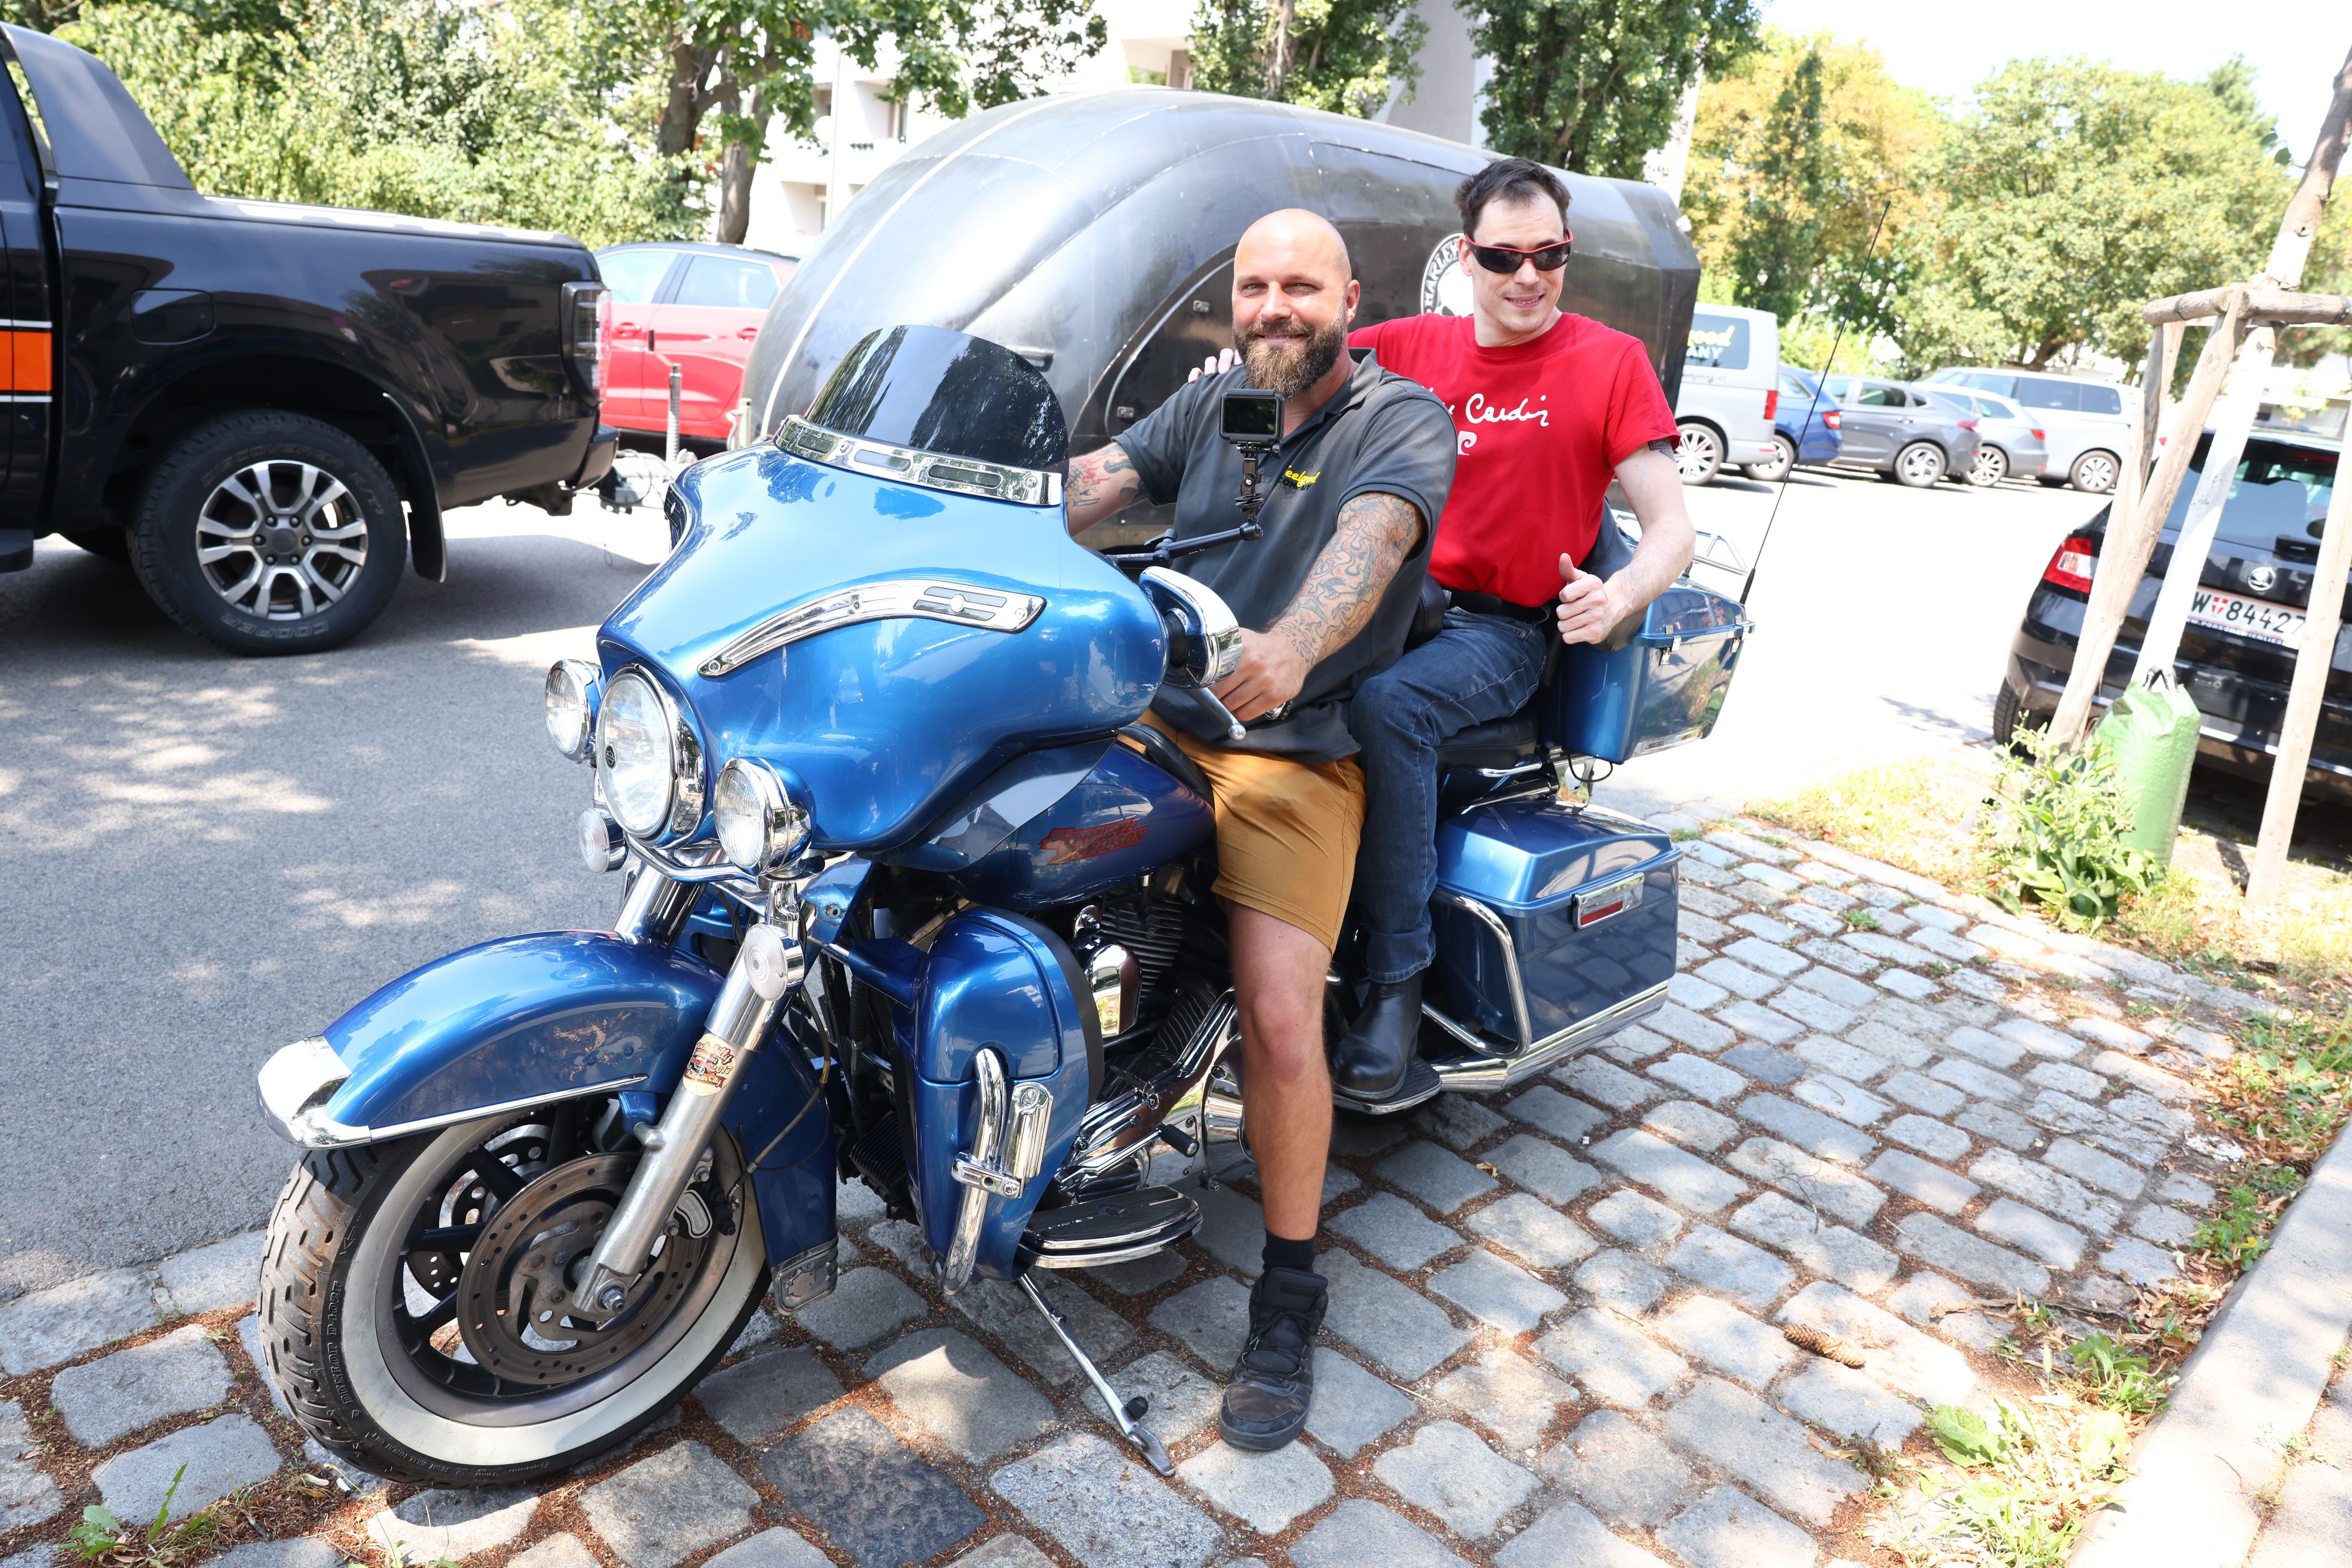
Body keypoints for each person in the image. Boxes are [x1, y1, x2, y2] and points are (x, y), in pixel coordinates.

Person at [1060, 208, 1456, 1450]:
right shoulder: (1224, 402)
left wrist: (1290, 645)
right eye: (1251, 286)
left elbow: (1371, 538)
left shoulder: (1395, 420)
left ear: (1348, 295)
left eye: (1298, 286)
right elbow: (1095, 487)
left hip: (1289, 745)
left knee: (1281, 1013)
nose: (1273, 307)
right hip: (1156, 717)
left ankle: (1288, 1285)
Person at [1330, 158, 1698, 1100]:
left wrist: (1618, 598)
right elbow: (1303, 351)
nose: (1528, 277)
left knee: (1390, 707)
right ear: (1467, 257)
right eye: (1504, 257)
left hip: (1506, 633)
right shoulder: (1413, 345)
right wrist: (1226, 366)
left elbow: (1673, 530)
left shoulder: (1608, 361)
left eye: (1550, 255)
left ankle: (1395, 981)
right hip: (1392, 608)